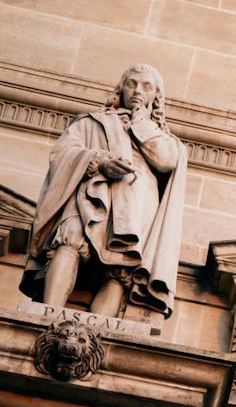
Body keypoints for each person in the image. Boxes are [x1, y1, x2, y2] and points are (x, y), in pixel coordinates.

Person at [23, 63, 186, 320]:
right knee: (70, 237)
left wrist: (140, 123)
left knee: (121, 268)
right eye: (131, 84)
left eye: (146, 86)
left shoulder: (162, 136)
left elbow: (166, 161)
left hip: (137, 203)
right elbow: (63, 152)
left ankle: (99, 332)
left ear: (156, 97)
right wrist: (98, 161)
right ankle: (47, 315)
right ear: (121, 89)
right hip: (92, 191)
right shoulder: (92, 122)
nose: (137, 90)